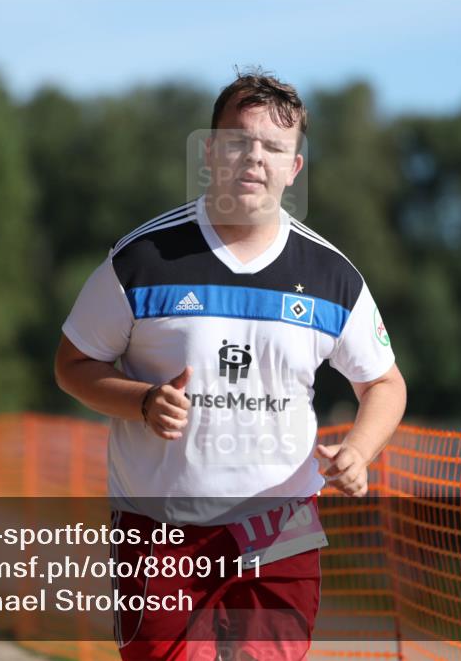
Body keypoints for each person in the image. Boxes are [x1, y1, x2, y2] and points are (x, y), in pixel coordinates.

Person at [55, 69, 407, 661]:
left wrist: (360, 452)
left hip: (281, 531)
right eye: (240, 141)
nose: (255, 159)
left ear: (293, 168)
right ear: (212, 152)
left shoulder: (332, 276)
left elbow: (384, 383)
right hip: (159, 531)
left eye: (274, 148)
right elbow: (72, 363)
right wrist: (141, 401)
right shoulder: (143, 259)